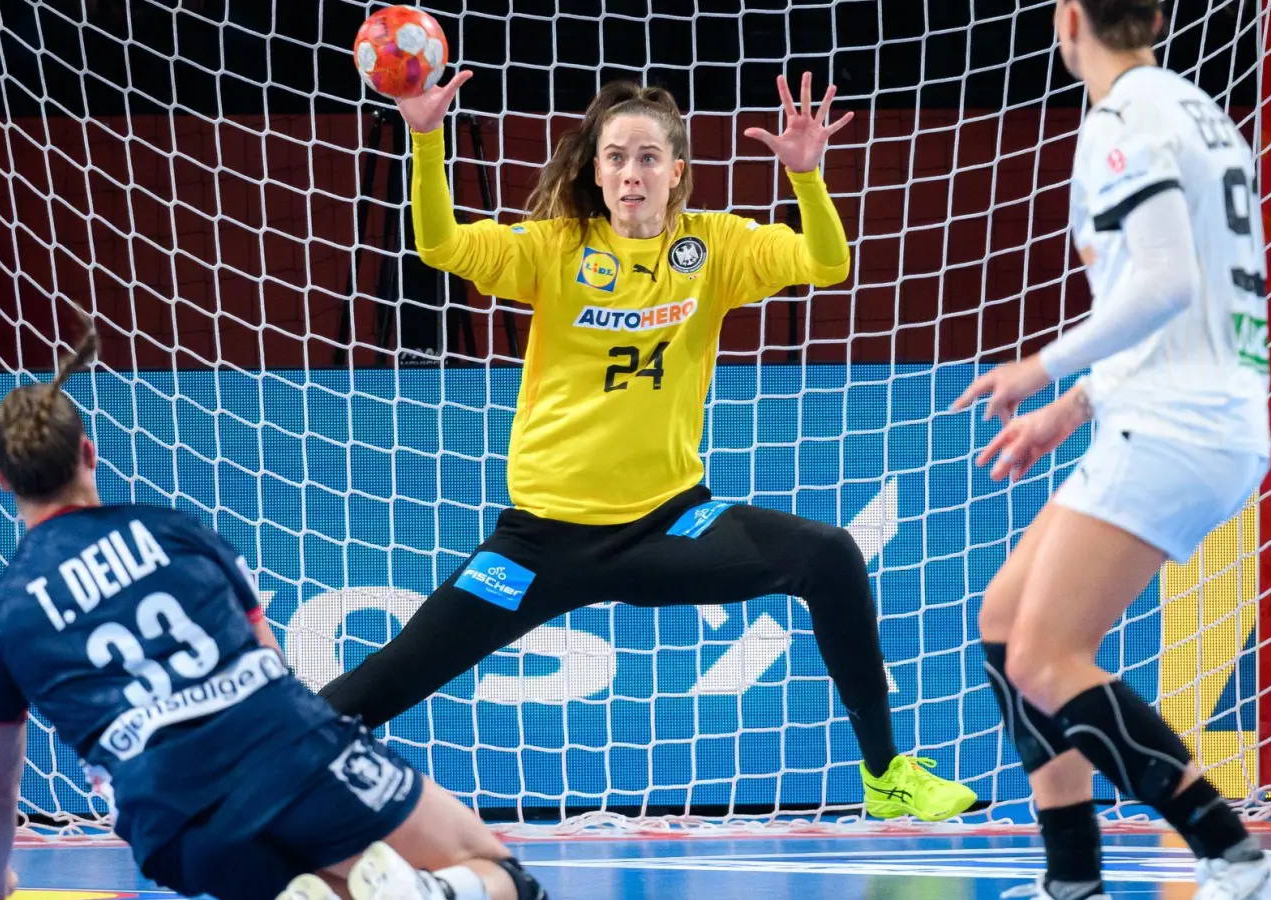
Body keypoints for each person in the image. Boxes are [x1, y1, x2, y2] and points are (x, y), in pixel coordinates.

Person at [317, 71, 977, 821]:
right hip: (541, 544)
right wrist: (427, 138)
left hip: (670, 525)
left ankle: (886, 775)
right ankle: (249, 764)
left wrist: (806, 179)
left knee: (828, 556)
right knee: (389, 678)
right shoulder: (555, 248)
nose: (632, 172)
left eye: (649, 157)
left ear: (677, 172)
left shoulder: (714, 246)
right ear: (595, 172)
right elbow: (438, 245)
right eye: (616, 157)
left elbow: (827, 264)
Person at [0, 320, 548, 900]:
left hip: (172, 822)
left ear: (1, 478)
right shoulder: (174, 531)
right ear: (89, 452)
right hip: (285, 750)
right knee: (500, 875)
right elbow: (270, 659)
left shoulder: (5, 617)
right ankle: (431, 894)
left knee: (325, 888)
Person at [951, 1, 1271, 899]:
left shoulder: (1123, 116)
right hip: (1189, 409)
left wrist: (1039, 367)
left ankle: (1235, 857)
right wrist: (1069, 410)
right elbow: (1178, 304)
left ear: (1069, 18)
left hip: (1176, 422)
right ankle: (1072, 880)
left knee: (1044, 656)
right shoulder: (1194, 108)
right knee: (1005, 624)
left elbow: (1159, 285)